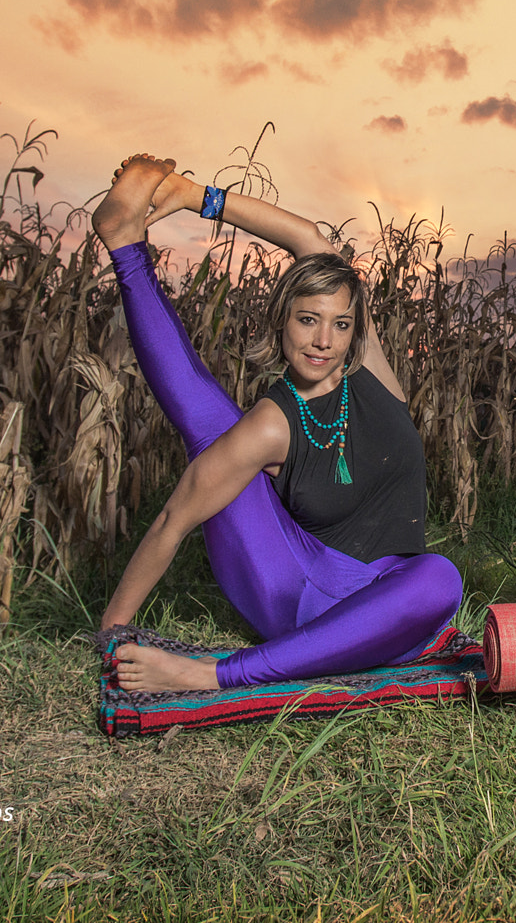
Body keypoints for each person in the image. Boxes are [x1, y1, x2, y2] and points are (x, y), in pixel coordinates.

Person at [91, 155, 463, 693]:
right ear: (282, 319)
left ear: (356, 329)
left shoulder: (370, 372)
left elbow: (306, 237)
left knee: (436, 578)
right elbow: (175, 516)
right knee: (215, 433)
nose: (323, 341)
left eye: (339, 324)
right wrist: (113, 629)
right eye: (307, 320)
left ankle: (125, 240)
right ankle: (214, 676)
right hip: (305, 596)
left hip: (391, 599)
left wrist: (194, 194)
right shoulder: (272, 424)